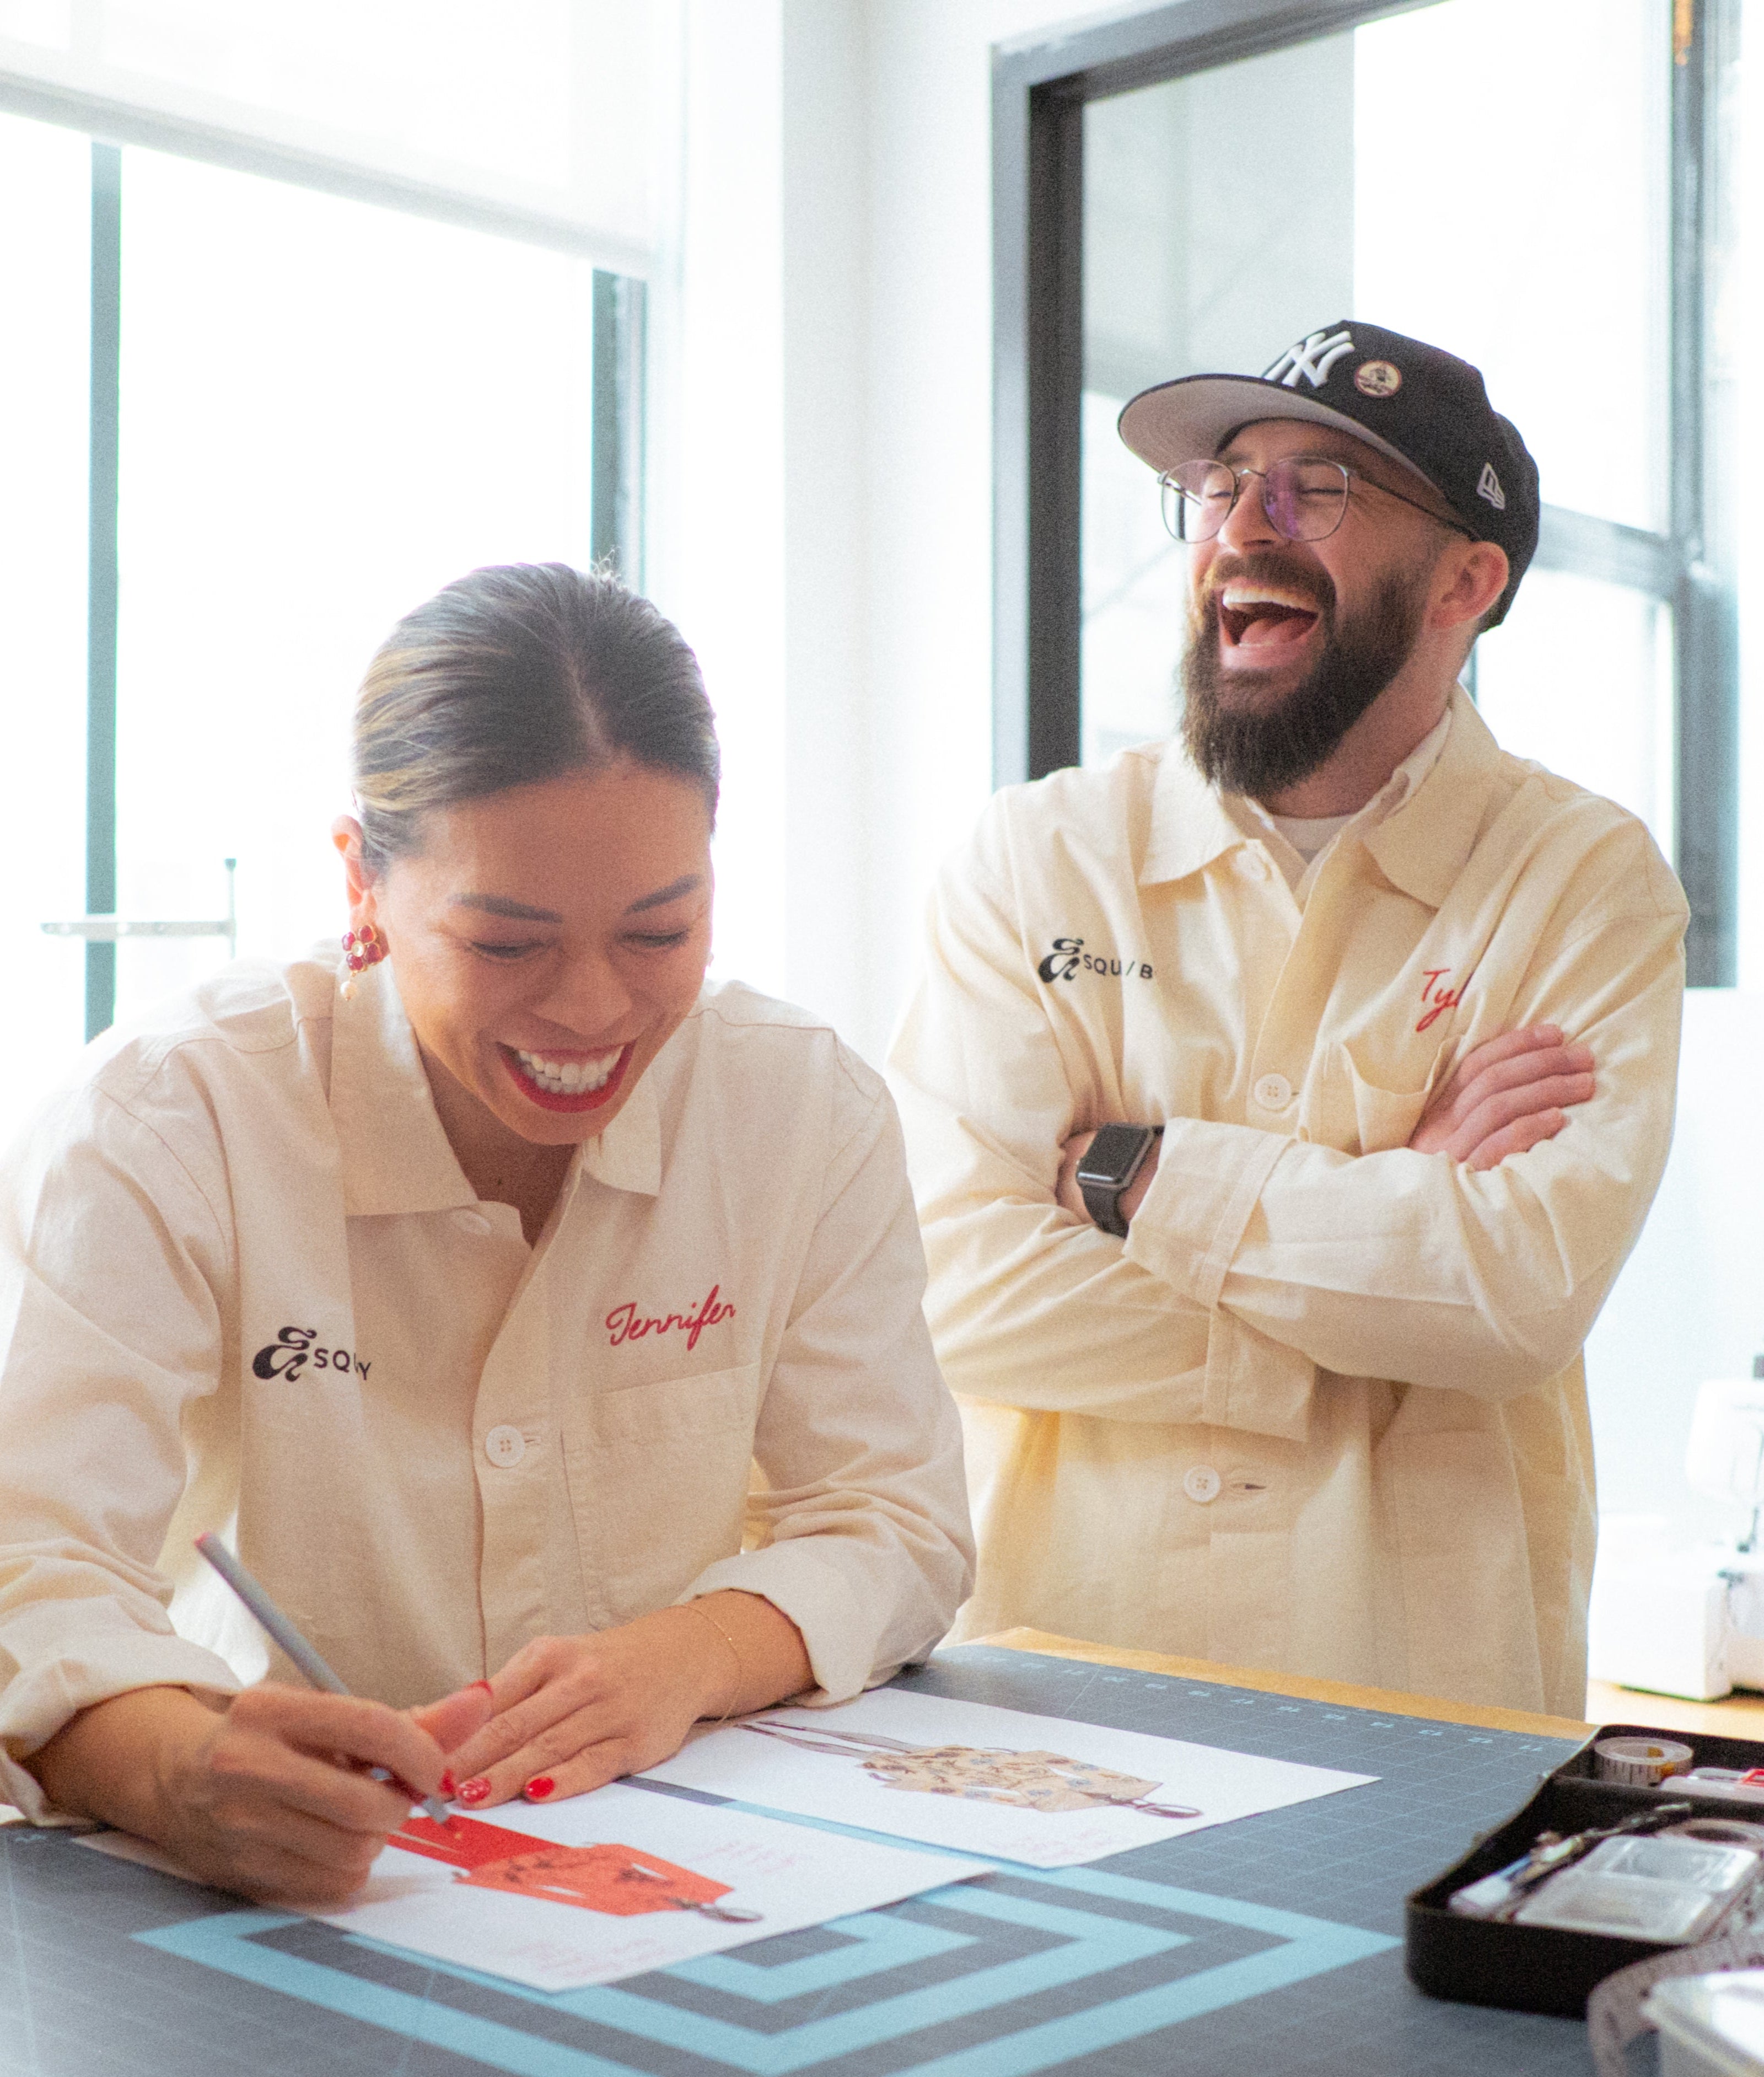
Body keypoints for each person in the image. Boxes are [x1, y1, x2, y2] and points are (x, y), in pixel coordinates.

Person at [0, 562, 972, 1900]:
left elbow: (896, 1517)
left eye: (658, 929)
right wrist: (174, 1767)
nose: (590, 1009)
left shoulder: (795, 1107)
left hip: (674, 1864)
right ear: (363, 883)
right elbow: (29, 1554)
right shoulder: (173, 1118)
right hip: (274, 1888)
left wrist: (685, 1655)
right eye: (506, 943)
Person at [888, 320, 1686, 1719]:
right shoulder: (1037, 857)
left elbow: (1512, 1296)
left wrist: (1136, 1173)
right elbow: (960, 1283)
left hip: (1417, 1696)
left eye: (1316, 487)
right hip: (1052, 1671)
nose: (1241, 531)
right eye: (1220, 485)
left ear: (1465, 577)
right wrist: (1374, 1272)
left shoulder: (1581, 880)